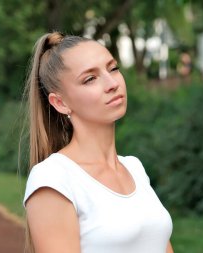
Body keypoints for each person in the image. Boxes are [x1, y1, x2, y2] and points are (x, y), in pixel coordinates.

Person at [23, 31, 174, 253]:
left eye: (113, 68)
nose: (112, 83)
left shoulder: (134, 168)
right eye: (90, 78)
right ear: (60, 103)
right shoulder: (54, 178)